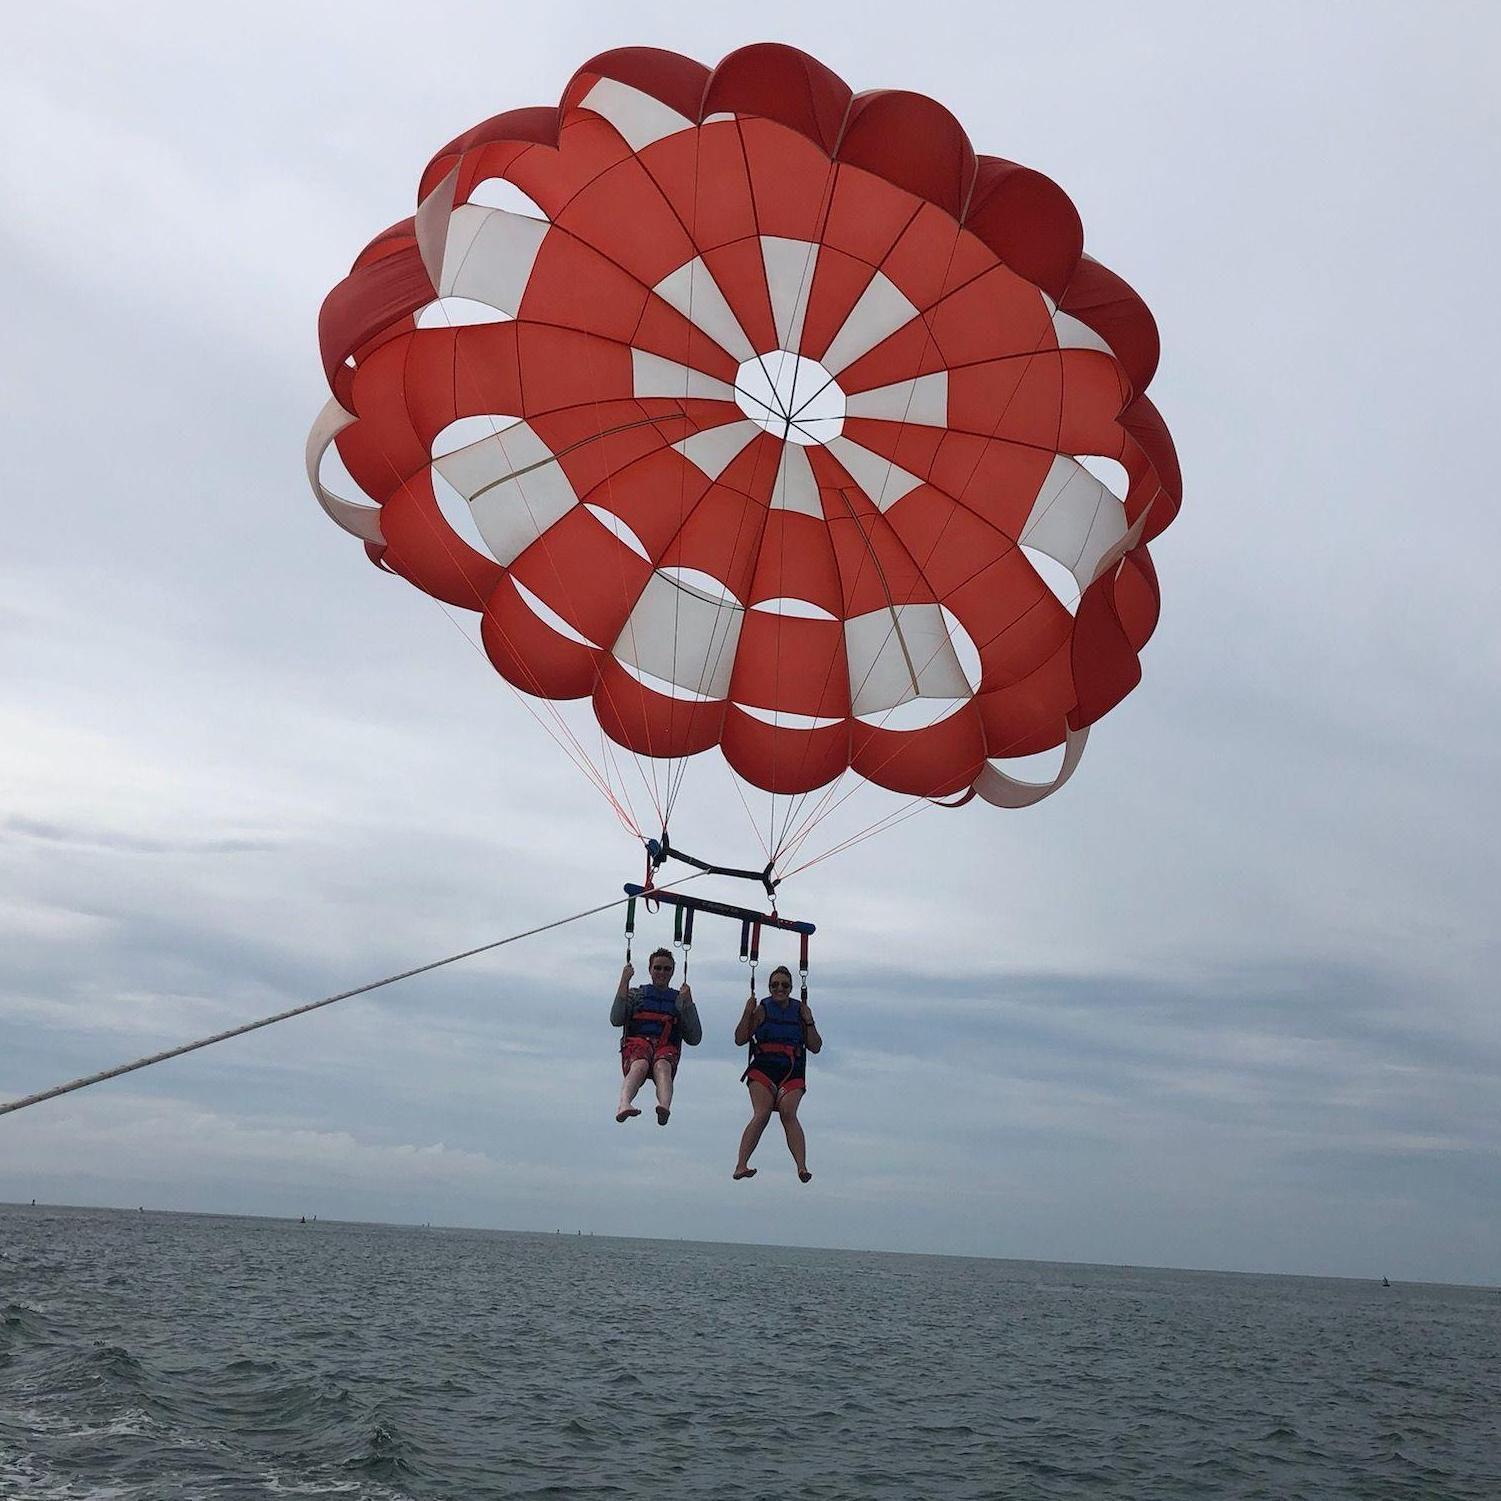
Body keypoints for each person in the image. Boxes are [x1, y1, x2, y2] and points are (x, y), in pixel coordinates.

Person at [732, 964, 821, 1182]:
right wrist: (747, 1013)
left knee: (788, 1113)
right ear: (769, 987)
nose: (779, 988)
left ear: (790, 987)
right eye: (775, 985)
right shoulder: (762, 1009)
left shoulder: (800, 1012)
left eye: (784, 985)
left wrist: (809, 1021)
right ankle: (741, 1165)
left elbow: (815, 1046)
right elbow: (740, 1039)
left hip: (791, 1070)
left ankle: (802, 1167)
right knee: (761, 1113)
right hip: (764, 1068)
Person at [612, 947, 701, 1124]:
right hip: (638, 1045)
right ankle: (624, 1104)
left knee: (663, 1066)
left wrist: (689, 1004)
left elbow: (695, 1038)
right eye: (658, 968)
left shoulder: (679, 1000)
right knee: (640, 1065)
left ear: (673, 971)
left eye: (666, 969)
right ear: (650, 969)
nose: (662, 972)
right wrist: (624, 981)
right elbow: (616, 1018)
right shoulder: (636, 995)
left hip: (665, 1047)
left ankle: (664, 1106)